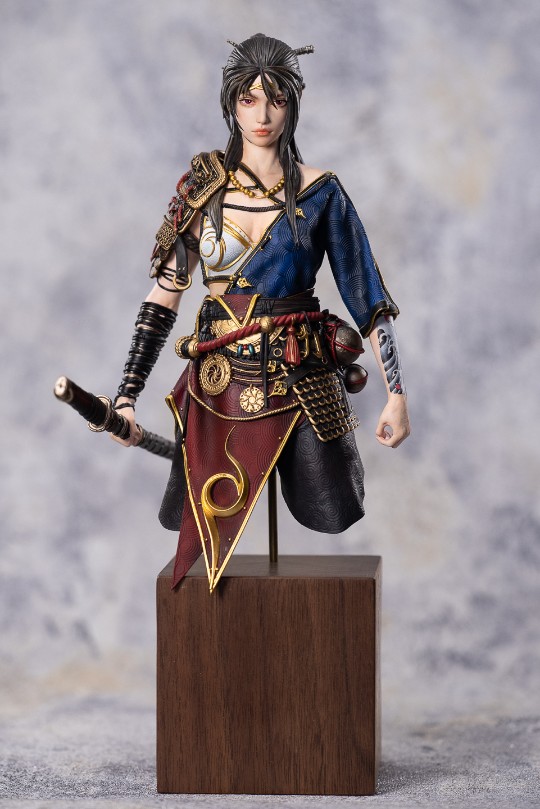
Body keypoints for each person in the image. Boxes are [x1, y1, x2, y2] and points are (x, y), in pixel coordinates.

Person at [113, 34, 410, 591]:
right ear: (231, 104)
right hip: (216, 380)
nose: (263, 115)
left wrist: (397, 393)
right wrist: (126, 396)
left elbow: (368, 297)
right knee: (203, 511)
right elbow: (163, 298)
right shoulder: (201, 191)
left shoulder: (322, 193)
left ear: (293, 103)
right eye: (248, 99)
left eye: (276, 99)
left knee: (332, 504)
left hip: (302, 375)